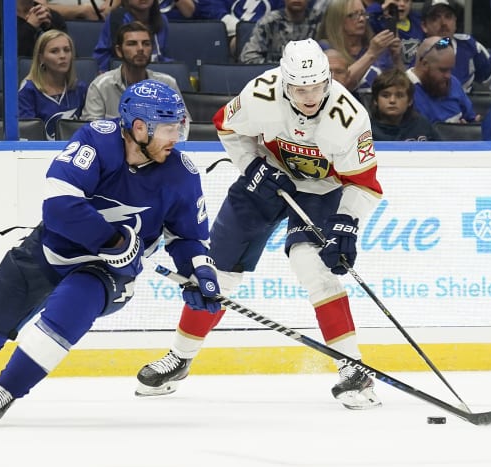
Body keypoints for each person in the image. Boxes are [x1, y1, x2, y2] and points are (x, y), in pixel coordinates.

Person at [0, 79, 221, 422]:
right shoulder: (97, 140)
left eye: (179, 126)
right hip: (51, 247)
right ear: (139, 127)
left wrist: (200, 273)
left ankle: (6, 389)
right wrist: (114, 242)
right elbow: (59, 206)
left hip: (109, 273)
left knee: (73, 303)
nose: (176, 137)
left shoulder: (182, 174)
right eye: (168, 128)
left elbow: (188, 238)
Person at [135, 39, 384, 411]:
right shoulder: (260, 94)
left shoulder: (349, 118)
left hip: (322, 189)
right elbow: (226, 127)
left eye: (317, 87)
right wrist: (252, 166)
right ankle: (180, 357)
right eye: (301, 89)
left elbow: (364, 183)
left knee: (311, 265)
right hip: (265, 180)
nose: (310, 96)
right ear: (285, 83)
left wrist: (347, 224)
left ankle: (353, 368)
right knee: (215, 274)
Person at [82, 21, 186, 121]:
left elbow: (183, 125)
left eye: (146, 44)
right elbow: (91, 131)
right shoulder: (101, 86)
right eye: (132, 44)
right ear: (119, 51)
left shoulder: (167, 85)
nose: (140, 48)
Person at [420, 0, 491, 94]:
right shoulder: (418, 54)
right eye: (435, 18)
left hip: (465, 110)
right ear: (424, 26)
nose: (443, 23)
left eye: (448, 16)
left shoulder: (468, 45)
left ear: (455, 21)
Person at [315, 0, 403, 95]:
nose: (361, 19)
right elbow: (337, 86)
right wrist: (371, 54)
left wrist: (396, 58)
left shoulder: (376, 47)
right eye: (353, 15)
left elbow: (402, 84)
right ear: (337, 19)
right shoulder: (324, 49)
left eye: (363, 14)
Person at [18, 29, 88, 140]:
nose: (62, 56)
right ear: (41, 58)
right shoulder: (28, 91)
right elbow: (27, 135)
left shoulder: (80, 88)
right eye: (54, 51)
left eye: (67, 50)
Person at [405, 35, 478, 124]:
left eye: (450, 69)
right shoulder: (403, 89)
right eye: (443, 70)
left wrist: (466, 128)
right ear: (424, 64)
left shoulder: (453, 82)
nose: (448, 76)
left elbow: (471, 120)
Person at [93, 0, 170, 72]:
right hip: (123, 73)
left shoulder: (162, 20)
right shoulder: (117, 18)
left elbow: (162, 55)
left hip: (156, 73)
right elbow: (103, 54)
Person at [238, 0, 322, 64]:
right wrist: (282, 67)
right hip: (276, 75)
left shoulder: (320, 21)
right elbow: (248, 57)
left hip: (312, 76)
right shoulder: (269, 22)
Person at [0, 0, 67, 56]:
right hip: (8, 84)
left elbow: (70, 58)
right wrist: (29, 27)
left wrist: (50, 30)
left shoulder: (52, 17)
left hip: (49, 81)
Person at [370, 68, 440, 141]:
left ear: (410, 101)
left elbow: (442, 151)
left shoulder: (422, 125)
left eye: (399, 96)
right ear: (375, 100)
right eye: (385, 95)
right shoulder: (366, 130)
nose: (392, 101)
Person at [365, 0, 425, 67]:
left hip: (418, 70)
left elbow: (437, 41)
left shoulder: (418, 20)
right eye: (397, 0)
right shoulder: (380, 21)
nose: (402, 4)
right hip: (392, 72)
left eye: (406, 1)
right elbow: (366, 16)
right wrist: (382, 7)